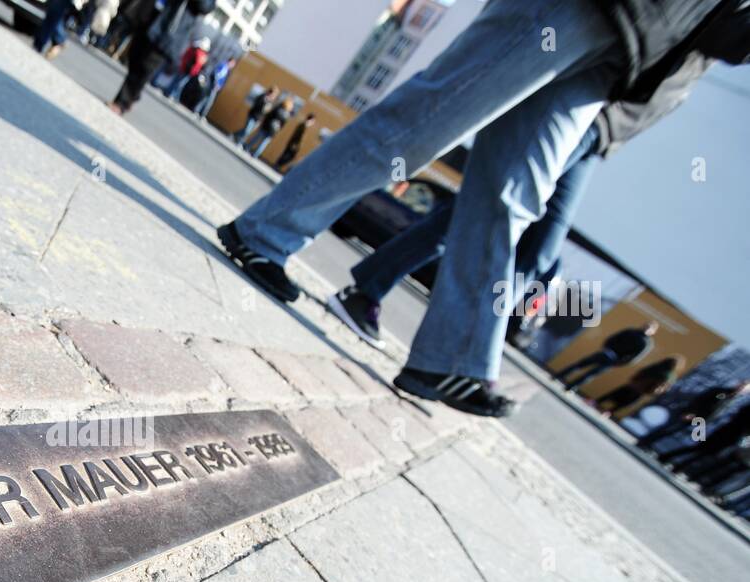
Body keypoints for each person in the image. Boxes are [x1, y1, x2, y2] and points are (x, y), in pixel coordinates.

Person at [214, 0, 750, 417]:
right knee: (423, 127)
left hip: (630, 63)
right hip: (586, 10)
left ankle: (449, 361)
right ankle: (263, 233)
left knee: (514, 196)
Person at [324, 44, 707, 353]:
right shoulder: (710, 20)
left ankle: (378, 296)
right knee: (523, 240)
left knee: (488, 223)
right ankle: (453, 352)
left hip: (599, 135)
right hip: (584, 113)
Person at [110, 0, 215, 115]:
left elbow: (205, 6)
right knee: (134, 55)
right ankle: (134, 94)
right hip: (151, 16)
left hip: (168, 28)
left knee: (145, 67)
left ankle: (122, 102)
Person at [637, 381, 750, 449]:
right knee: (667, 428)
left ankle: (649, 443)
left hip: (699, 420)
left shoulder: (731, 400)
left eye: (744, 389)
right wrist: (691, 412)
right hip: (690, 414)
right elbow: (700, 400)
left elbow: (715, 412)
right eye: (742, 385)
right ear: (738, 384)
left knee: (671, 432)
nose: (741, 388)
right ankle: (644, 441)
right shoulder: (720, 391)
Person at [555, 321, 659, 390]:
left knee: (590, 374)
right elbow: (613, 338)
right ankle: (558, 376)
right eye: (646, 325)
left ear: (653, 332)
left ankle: (570, 387)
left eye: (649, 328)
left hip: (614, 360)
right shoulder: (630, 331)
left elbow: (634, 357)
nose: (646, 328)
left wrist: (618, 362)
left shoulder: (645, 343)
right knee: (580, 365)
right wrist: (607, 348)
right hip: (606, 352)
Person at [595, 356, 684, 416]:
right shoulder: (670, 376)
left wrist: (634, 379)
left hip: (635, 385)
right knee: (625, 403)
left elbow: (642, 372)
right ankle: (609, 412)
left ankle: (596, 402)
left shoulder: (657, 366)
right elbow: (664, 387)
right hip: (644, 390)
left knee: (614, 394)